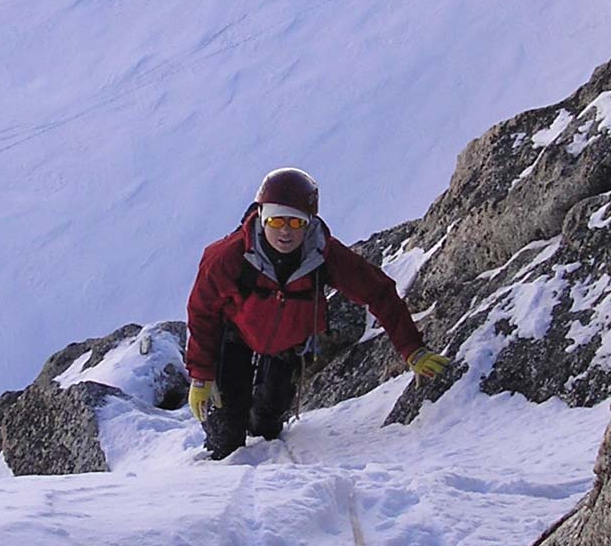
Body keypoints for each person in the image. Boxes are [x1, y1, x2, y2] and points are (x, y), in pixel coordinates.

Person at [184, 166, 449, 458]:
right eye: (276, 220)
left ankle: (259, 415)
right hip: (235, 336)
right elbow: (202, 312)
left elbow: (379, 292)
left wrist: (413, 350)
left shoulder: (324, 255)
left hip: (288, 342)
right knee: (226, 442)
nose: (285, 230)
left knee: (267, 426)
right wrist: (201, 375)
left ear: (309, 223)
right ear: (261, 217)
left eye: (296, 223)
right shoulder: (227, 256)